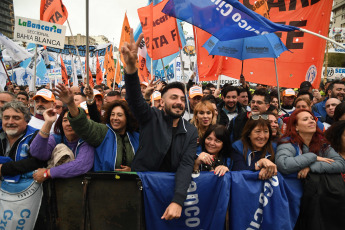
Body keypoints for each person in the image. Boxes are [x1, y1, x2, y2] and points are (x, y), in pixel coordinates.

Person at [122, 29, 198, 220]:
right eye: (173, 97)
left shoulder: (190, 131)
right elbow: (135, 100)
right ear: (162, 102)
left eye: (182, 99)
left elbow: (186, 165)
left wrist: (178, 200)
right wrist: (131, 71)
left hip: (168, 191)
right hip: (140, 186)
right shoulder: (151, 117)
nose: (179, 102)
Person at [54, 85, 139, 172]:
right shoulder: (103, 132)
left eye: (119, 115)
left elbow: (146, 164)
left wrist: (133, 170)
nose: (115, 118)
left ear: (128, 118)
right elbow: (83, 125)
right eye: (112, 114)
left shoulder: (136, 137)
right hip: (103, 184)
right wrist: (71, 103)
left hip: (131, 184)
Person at [275, 109, 345, 178]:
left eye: (312, 119)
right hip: (294, 187)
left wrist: (311, 167)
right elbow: (283, 164)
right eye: (305, 119)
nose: (311, 121)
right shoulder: (287, 142)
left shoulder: (322, 143)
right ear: (296, 127)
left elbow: (340, 164)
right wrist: (313, 157)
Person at [30, 108, 94, 182]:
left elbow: (82, 165)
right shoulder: (56, 138)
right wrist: (48, 123)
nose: (68, 123)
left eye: (72, 120)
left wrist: (47, 173)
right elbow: (37, 153)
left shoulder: (87, 140)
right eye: (65, 120)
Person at [0, 101, 45, 179]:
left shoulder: (37, 136)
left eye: (16, 118)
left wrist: (4, 168)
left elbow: (38, 162)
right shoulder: (1, 135)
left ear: (26, 121)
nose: (10, 122)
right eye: (6, 118)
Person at [231, 115, 277, 180]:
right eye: (258, 131)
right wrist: (259, 164)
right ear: (249, 133)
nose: (262, 136)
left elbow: (282, 170)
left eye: (266, 131)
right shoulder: (238, 147)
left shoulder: (274, 147)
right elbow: (238, 172)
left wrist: (268, 171)